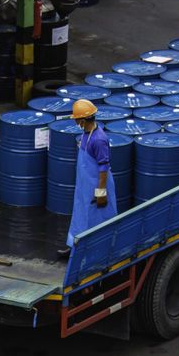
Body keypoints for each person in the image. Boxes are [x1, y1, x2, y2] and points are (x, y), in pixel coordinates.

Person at [58, 99, 117, 259]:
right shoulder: (86, 135)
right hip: (85, 186)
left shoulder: (99, 139)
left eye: (76, 119)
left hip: (96, 187)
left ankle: (99, 252)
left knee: (96, 219)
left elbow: (103, 167)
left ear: (83, 121)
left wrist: (101, 192)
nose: (76, 122)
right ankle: (74, 247)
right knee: (80, 216)